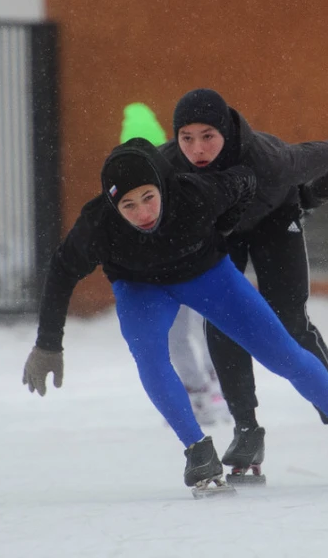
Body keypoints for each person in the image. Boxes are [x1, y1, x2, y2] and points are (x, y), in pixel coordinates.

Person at [21, 138, 328, 493]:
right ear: (113, 206)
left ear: (163, 187)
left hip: (206, 276)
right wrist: (48, 344)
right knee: (151, 357)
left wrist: (223, 226)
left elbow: (245, 180)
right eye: (128, 205)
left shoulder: (196, 194)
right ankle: (198, 450)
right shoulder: (97, 226)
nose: (141, 212)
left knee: (283, 353)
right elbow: (60, 273)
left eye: (148, 197)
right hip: (141, 290)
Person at [160, 88, 328, 481]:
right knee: (222, 319)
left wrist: (310, 198)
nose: (197, 148)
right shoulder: (169, 164)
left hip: (274, 219)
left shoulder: (272, 161)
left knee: (290, 322)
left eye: (208, 136)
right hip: (222, 231)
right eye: (186, 138)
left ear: (224, 132)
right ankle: (247, 430)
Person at [120, 100, 230, 427]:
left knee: (199, 328)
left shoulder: (181, 182)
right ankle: (205, 392)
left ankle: (212, 390)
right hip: (167, 275)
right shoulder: (130, 191)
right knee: (188, 332)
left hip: (189, 270)